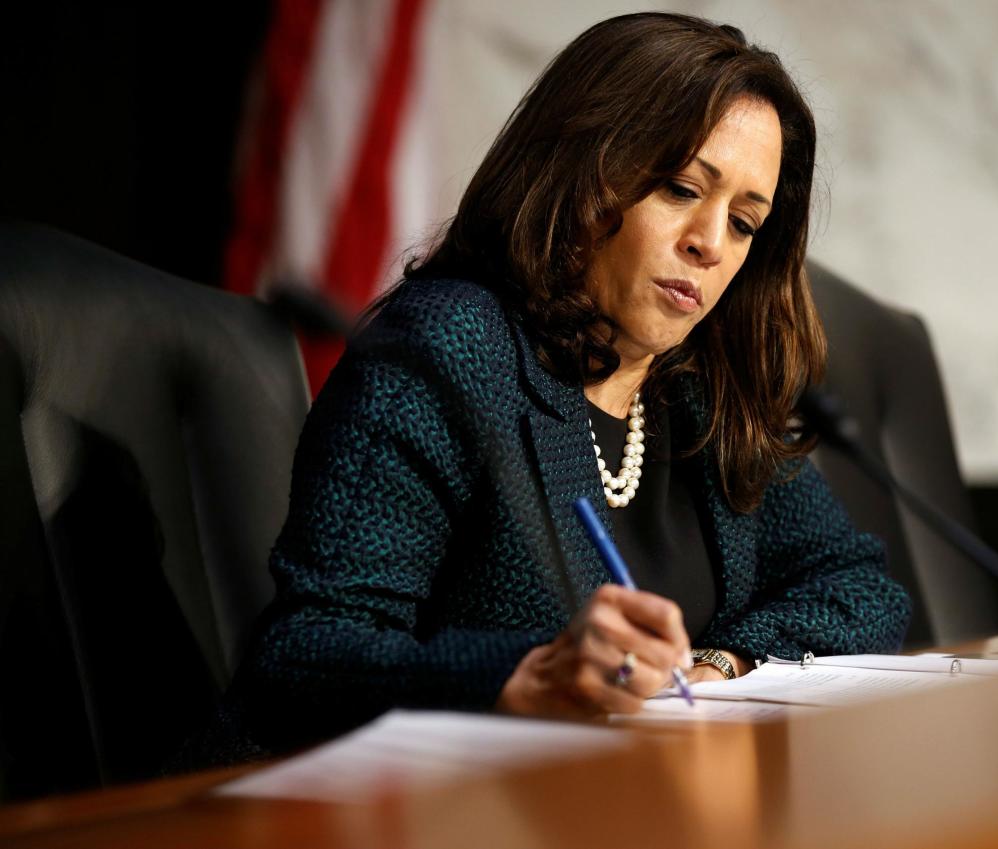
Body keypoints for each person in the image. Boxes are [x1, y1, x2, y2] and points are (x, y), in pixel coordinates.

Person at [225, 11, 911, 754]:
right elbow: (301, 657)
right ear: (586, 175)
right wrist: (522, 677)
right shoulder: (448, 350)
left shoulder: (700, 395)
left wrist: (724, 663)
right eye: (682, 188)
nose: (709, 244)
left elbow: (859, 584)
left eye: (744, 222)